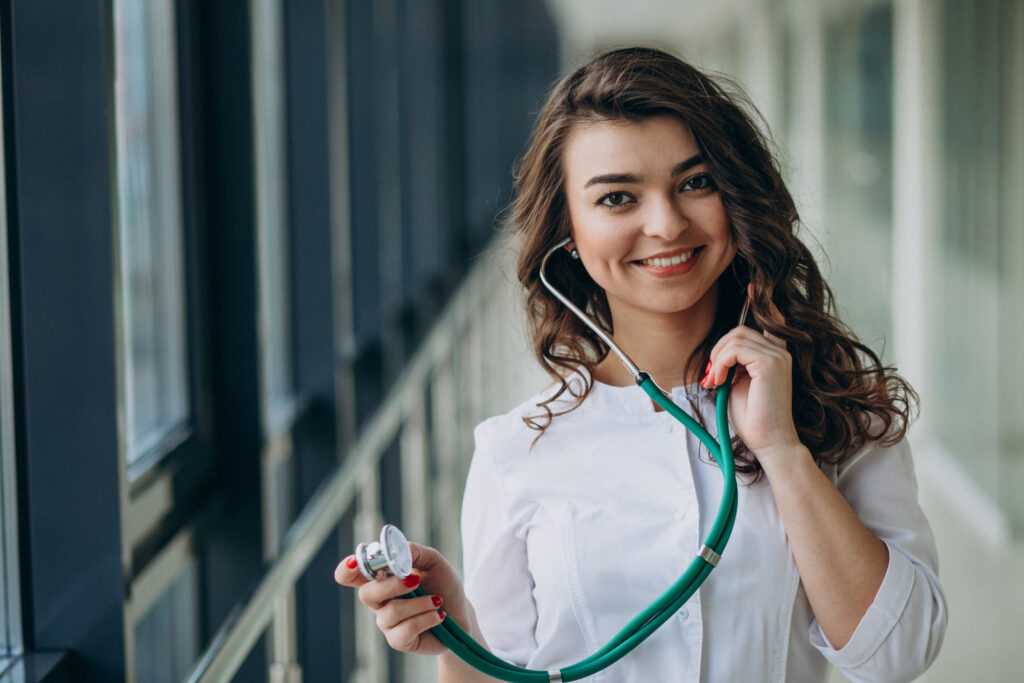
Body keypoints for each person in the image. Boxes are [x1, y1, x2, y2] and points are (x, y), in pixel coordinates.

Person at [335, 47, 947, 682]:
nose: (665, 223)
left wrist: (784, 452)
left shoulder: (836, 406)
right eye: (618, 198)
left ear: (736, 195)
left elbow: (897, 655)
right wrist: (459, 630)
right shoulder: (513, 452)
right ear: (567, 230)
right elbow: (509, 672)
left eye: (695, 182)